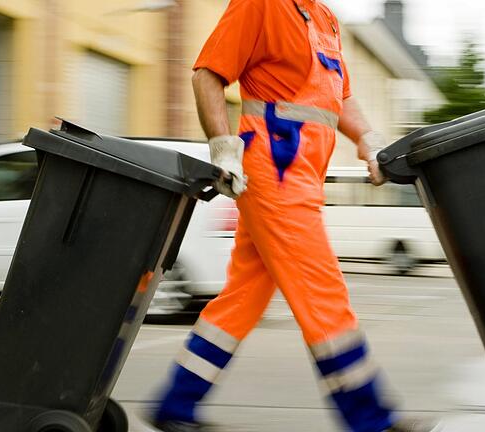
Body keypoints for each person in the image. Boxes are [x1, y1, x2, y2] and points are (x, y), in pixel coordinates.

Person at [150, 1, 441, 431]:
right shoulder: (260, 5)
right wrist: (223, 148)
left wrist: (370, 140)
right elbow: (207, 74)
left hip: (303, 176)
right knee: (322, 291)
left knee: (242, 298)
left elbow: (337, 96)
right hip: (274, 172)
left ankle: (176, 405)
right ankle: (370, 419)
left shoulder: (323, 17)